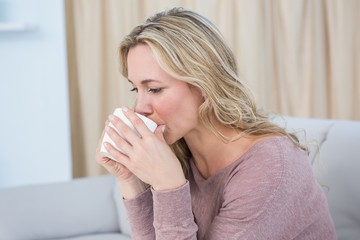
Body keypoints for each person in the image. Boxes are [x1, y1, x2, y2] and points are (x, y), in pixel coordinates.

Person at [96, 7, 336, 240]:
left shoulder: (270, 167)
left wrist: (169, 186)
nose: (140, 108)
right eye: (136, 89)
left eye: (155, 89)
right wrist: (129, 180)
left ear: (203, 84)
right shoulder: (180, 156)